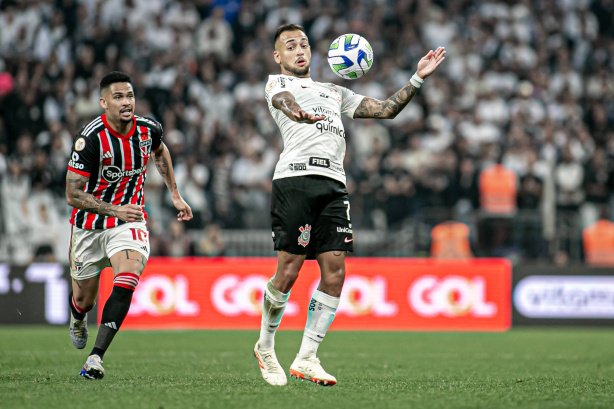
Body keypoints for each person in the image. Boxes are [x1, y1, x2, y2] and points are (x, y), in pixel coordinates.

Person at [254, 24, 445, 386]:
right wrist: (299, 115)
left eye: (304, 44)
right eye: (290, 46)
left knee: (336, 273)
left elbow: (386, 109)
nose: (300, 50)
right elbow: (284, 104)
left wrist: (417, 79)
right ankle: (265, 345)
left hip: (334, 186)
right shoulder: (277, 84)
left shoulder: (334, 91)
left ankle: (307, 357)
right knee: (290, 271)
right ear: (278, 57)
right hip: (295, 180)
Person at [65, 71, 193, 379]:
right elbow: (72, 193)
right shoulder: (91, 138)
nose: (126, 102)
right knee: (85, 299)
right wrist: (113, 209)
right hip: (89, 226)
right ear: (104, 102)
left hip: (130, 220)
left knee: (130, 273)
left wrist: (175, 194)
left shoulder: (148, 130)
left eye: (130, 96)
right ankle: (78, 318)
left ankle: (96, 357)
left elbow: (160, 152)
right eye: (119, 97)